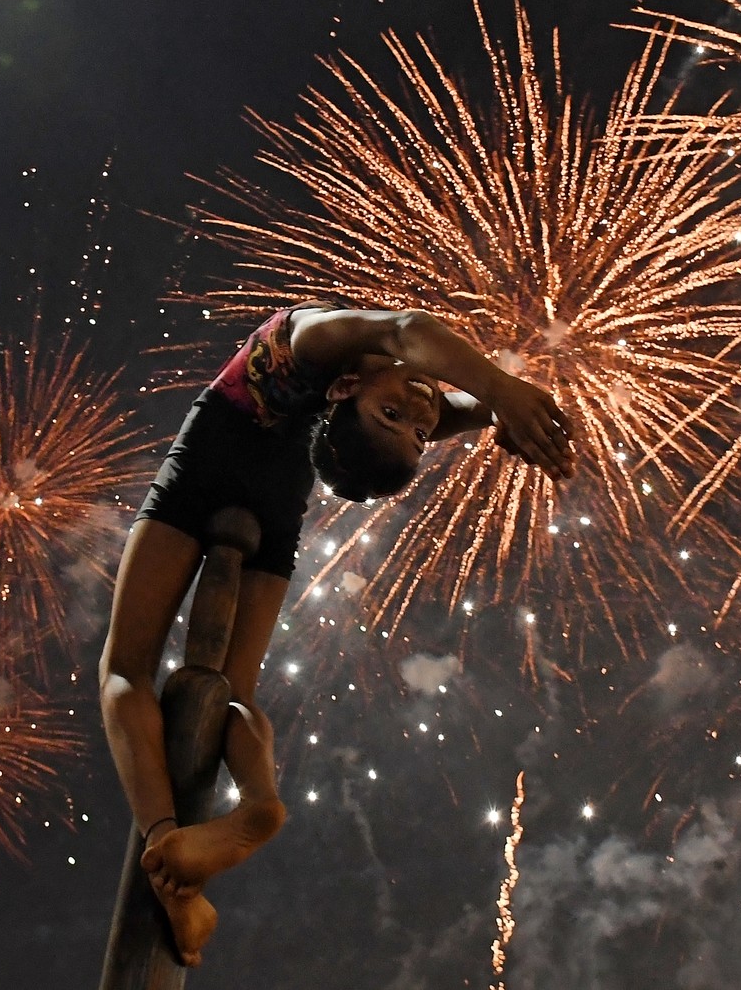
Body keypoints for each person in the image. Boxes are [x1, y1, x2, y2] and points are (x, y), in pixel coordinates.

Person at [98, 300, 575, 966]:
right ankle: (256, 804)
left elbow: (405, 328)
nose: (419, 412)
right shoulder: (375, 388)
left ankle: (164, 834)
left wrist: (502, 395)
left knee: (125, 669)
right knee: (237, 691)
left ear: (346, 391)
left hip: (213, 452)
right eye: (412, 428)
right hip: (279, 498)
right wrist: (501, 407)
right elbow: (449, 398)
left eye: (403, 424)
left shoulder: (316, 341)